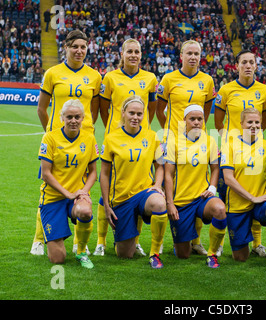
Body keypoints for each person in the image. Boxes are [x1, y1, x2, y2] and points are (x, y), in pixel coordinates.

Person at [31, 30, 102, 256]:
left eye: (83, 47)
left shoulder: (94, 76)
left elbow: (96, 110)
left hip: (83, 143)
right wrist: (51, 135)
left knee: (81, 191)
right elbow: (42, 108)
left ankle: (79, 244)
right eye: (75, 47)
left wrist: (87, 136)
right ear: (66, 48)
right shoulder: (52, 73)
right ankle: (38, 239)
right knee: (49, 188)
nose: (79, 51)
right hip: (57, 141)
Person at [95, 39, 158, 257]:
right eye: (129, 51)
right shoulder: (110, 77)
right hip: (116, 142)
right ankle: (101, 241)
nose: (133, 55)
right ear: (122, 54)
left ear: (141, 55)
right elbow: (104, 108)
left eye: (137, 52)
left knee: (139, 187)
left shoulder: (150, 78)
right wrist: (114, 132)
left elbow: (152, 107)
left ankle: (135, 240)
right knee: (108, 193)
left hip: (141, 143)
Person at [156, 40, 216, 255]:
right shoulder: (169, 78)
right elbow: (159, 109)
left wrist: (197, 132)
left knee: (199, 186)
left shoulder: (207, 81)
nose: (193, 57)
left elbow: (206, 110)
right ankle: (161, 240)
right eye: (189, 53)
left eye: (196, 53)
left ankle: (196, 240)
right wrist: (169, 134)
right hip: (173, 141)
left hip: (197, 143)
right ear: (181, 55)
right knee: (166, 188)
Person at [214, 49, 266, 258]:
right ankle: (219, 243)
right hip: (231, 153)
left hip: (254, 152)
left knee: (255, 191)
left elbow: (263, 121)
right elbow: (218, 121)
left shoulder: (264, 91)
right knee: (224, 198)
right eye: (244, 62)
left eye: (251, 62)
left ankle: (257, 244)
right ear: (236, 66)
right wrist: (229, 141)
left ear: (256, 66)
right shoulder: (226, 90)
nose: (248, 66)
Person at [99, 96, 168, 268]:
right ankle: (124, 237)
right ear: (123, 113)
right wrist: (107, 204)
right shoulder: (111, 138)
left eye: (139, 113)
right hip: (121, 199)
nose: (135, 117)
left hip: (145, 193)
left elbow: (159, 166)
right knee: (124, 254)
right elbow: (105, 174)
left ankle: (155, 253)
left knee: (160, 204)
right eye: (131, 113)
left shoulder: (152, 136)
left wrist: (157, 186)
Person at [220, 108, 266, 271]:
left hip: (261, 202)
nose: (254, 125)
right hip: (237, 205)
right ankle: (249, 242)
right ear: (241, 123)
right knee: (241, 258)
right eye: (250, 122)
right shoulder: (229, 145)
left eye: (257, 122)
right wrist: (251, 197)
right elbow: (228, 178)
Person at [163, 105, 227, 268]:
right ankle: (183, 241)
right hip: (181, 202)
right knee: (183, 255)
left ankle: (212, 254)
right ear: (184, 121)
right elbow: (168, 175)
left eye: (200, 119)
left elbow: (214, 169)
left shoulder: (210, 140)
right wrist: (170, 203)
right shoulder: (173, 142)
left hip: (202, 198)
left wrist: (212, 188)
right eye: (192, 119)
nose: (197, 122)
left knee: (220, 209)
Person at [37, 99, 98, 268]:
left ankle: (81, 251)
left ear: (83, 118)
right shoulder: (49, 138)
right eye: (69, 116)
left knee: (85, 211)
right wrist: (68, 193)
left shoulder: (89, 138)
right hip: (52, 198)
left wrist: (83, 192)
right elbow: (45, 173)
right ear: (61, 117)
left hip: (76, 197)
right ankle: (55, 232)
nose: (73, 120)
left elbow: (93, 172)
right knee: (58, 259)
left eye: (77, 117)